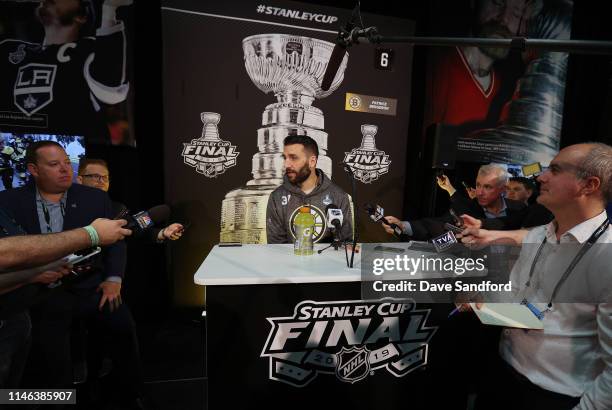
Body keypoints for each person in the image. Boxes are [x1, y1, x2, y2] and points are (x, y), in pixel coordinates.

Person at [465, 143, 612, 409]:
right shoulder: (538, 234)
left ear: (589, 185)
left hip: (554, 397)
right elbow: (522, 300)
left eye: (554, 170)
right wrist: (483, 303)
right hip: (501, 375)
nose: (541, 177)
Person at [0, 140, 143, 407]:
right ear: (33, 169)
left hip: (90, 285)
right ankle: (61, 395)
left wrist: (113, 280)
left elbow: (116, 243)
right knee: (50, 353)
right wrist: (34, 274)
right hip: (37, 292)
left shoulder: (95, 198)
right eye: (54, 165)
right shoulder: (8, 201)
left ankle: (130, 394)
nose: (65, 170)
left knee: (122, 325)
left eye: (67, 162)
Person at [0, 207, 131, 390]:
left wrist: (35, 272)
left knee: (10, 395)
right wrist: (91, 234)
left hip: (16, 316)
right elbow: (5, 254)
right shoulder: (14, 199)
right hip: (20, 318)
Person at [0, 0, 132, 143]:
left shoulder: (88, 52)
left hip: (72, 151)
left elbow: (112, 90)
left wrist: (108, 11)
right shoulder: (11, 51)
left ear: (81, 16)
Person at [426, 0, 533, 131]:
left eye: (516, 14)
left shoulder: (510, 91)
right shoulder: (438, 66)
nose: (504, 19)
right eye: (497, 3)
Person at [382, 164, 526, 240]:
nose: (480, 192)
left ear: (503, 190)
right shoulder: (467, 209)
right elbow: (434, 225)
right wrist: (403, 225)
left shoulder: (520, 210)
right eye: (478, 185)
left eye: (487, 187)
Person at [266, 135, 353, 245]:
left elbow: (345, 245)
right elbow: (276, 247)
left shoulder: (339, 196)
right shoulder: (276, 197)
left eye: (293, 157)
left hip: (327, 262)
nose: (286, 164)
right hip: (289, 262)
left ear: (312, 162)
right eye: (285, 158)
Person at [77, 158, 184, 241]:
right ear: (80, 179)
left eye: (105, 177)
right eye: (95, 176)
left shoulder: (118, 209)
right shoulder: (67, 207)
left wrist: (163, 232)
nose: (102, 181)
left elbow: (136, 231)